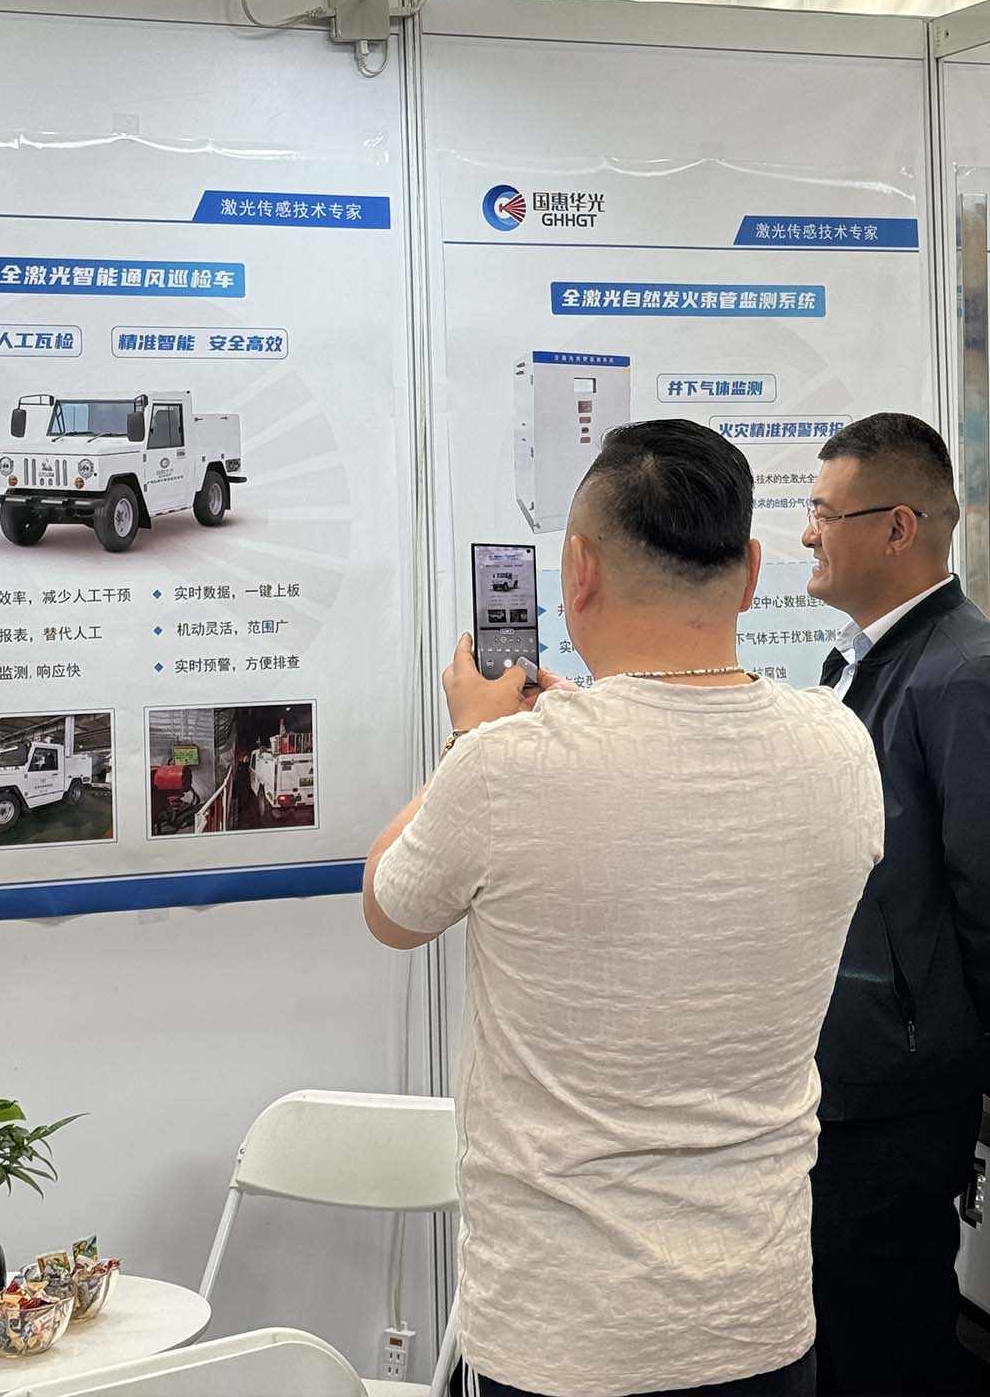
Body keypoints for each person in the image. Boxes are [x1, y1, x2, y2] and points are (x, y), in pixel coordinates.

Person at [364, 418, 883, 1397]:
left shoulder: (505, 767)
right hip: (760, 1322)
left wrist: (469, 739)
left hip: (563, 1337)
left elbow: (391, 906)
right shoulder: (840, 747)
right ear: (751, 571)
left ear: (578, 570)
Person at [802, 413, 990, 1397]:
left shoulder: (963, 673)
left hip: (901, 1089)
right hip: (856, 1073)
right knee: (842, 1334)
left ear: (898, 527)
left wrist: (956, 1031)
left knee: (887, 1349)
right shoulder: (873, 659)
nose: (808, 534)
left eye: (824, 513)